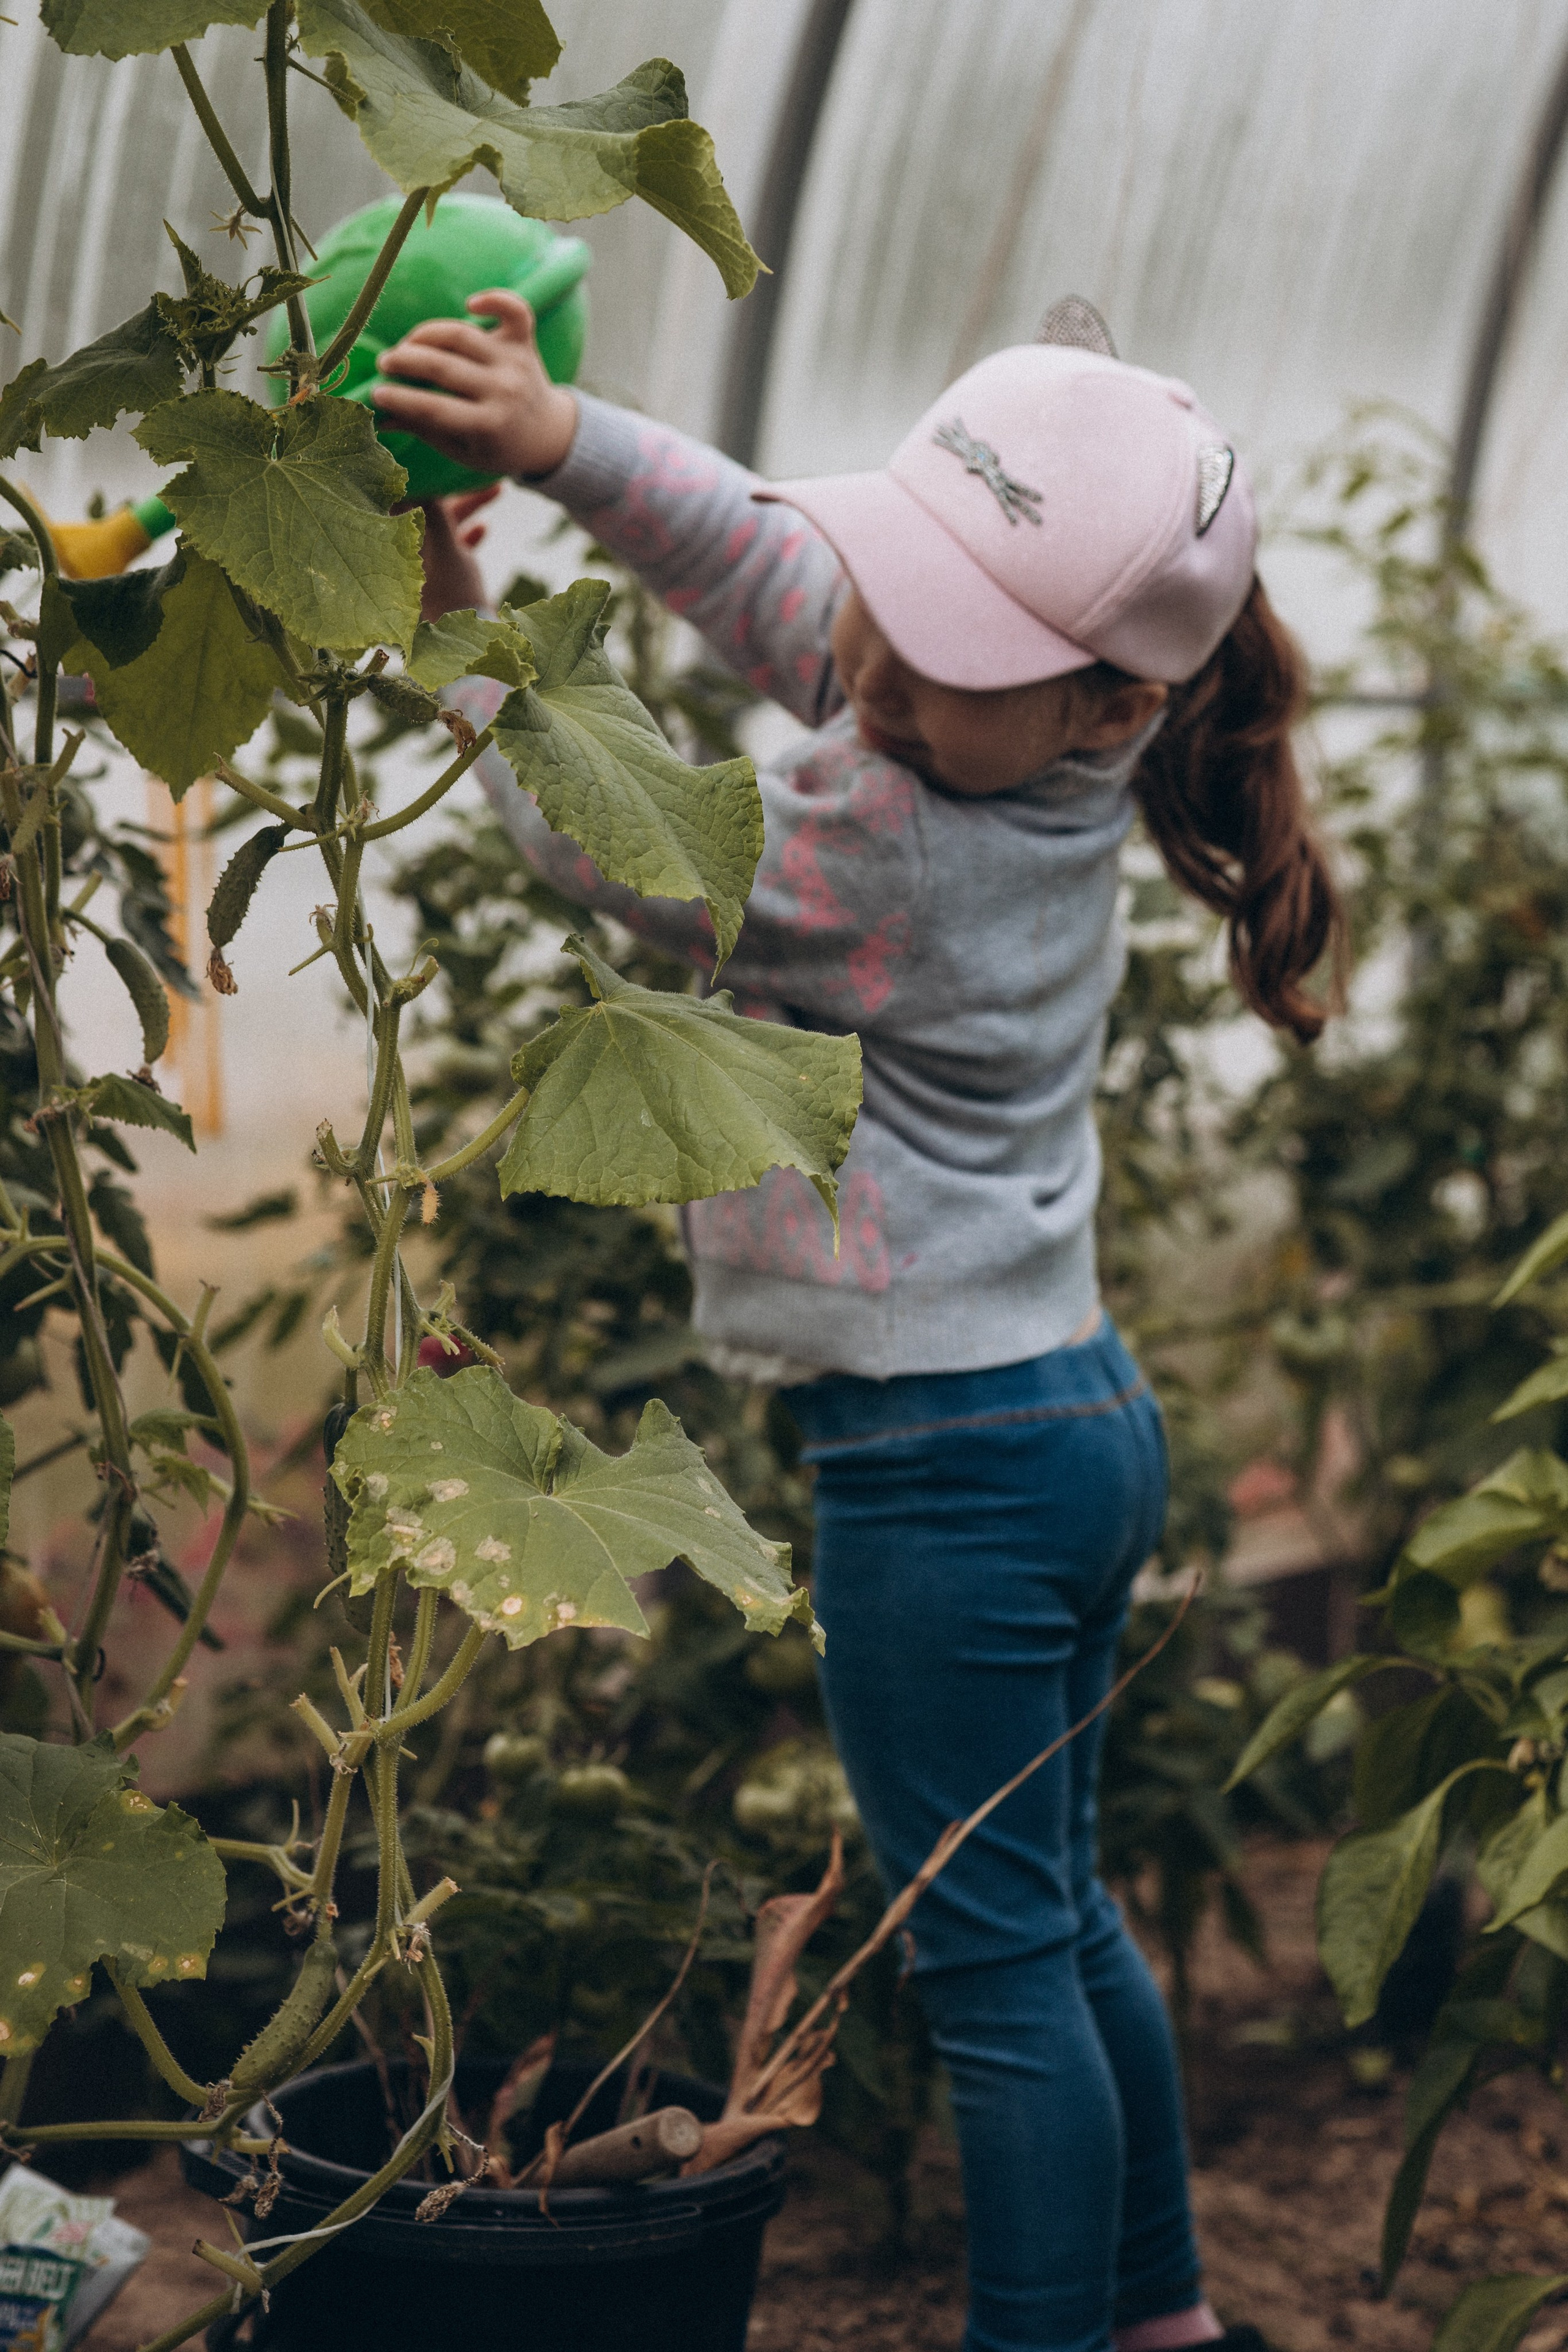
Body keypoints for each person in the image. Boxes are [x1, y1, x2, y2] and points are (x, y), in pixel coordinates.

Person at [372, 289, 1338, 2352]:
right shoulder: (1016, 723)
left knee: (986, 1969)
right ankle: (1163, 2324)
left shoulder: (888, 847)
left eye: (938, 650)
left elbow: (617, 852)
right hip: (1069, 1417)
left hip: (943, 1468)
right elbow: (770, 558)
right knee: (1057, 1918)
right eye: (894, 602)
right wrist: (560, 440)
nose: (876, 663)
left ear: (1101, 703)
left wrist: (454, 651)